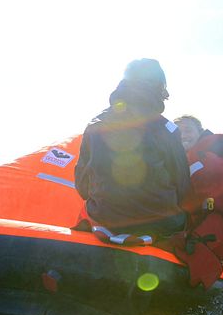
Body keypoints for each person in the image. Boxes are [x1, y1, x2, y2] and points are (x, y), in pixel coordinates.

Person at [74, 59, 191, 241]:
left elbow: (81, 185)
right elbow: (183, 184)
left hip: (105, 219)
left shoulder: (95, 124)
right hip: (161, 223)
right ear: (159, 87)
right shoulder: (167, 128)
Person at [171, 115, 223, 289]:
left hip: (213, 242)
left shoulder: (218, 157)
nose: (183, 135)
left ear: (200, 132)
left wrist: (200, 241)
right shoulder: (181, 162)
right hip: (190, 234)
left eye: (188, 130)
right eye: (178, 132)